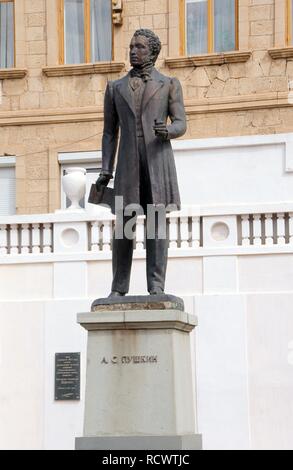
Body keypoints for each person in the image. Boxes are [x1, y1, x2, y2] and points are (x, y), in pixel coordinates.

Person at [96, 29, 186, 297]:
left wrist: (168, 131)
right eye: (131, 46)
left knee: (156, 228)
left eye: (140, 47)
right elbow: (109, 132)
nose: (133, 51)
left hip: (157, 164)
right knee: (124, 228)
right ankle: (118, 288)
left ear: (153, 52)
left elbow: (181, 122)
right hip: (127, 167)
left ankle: (156, 287)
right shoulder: (115, 87)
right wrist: (105, 169)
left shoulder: (169, 84)